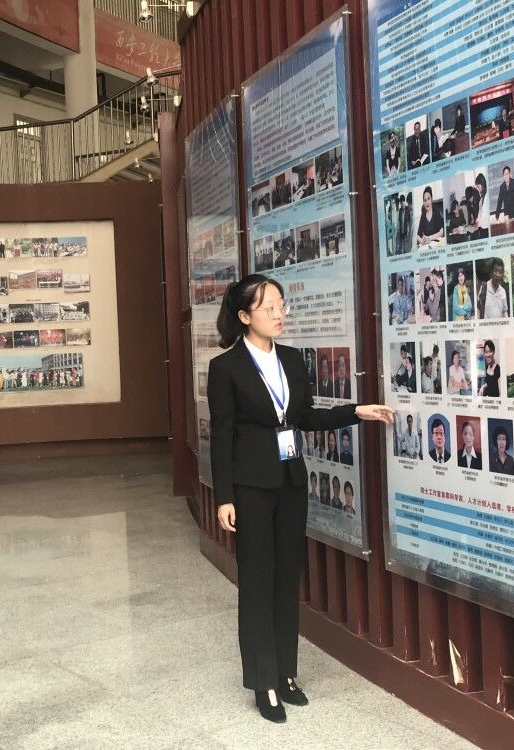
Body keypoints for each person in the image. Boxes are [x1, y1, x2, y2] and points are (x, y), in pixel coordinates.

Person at [207, 274, 392, 722]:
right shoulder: (226, 367)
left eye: (281, 305)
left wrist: (355, 412)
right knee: (257, 580)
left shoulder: (291, 359)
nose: (279, 314)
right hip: (250, 487)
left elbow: (305, 417)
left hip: (290, 481)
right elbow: (222, 435)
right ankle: (263, 681)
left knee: (287, 578)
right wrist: (224, 496)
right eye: (269, 307)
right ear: (244, 316)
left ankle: (286, 673)